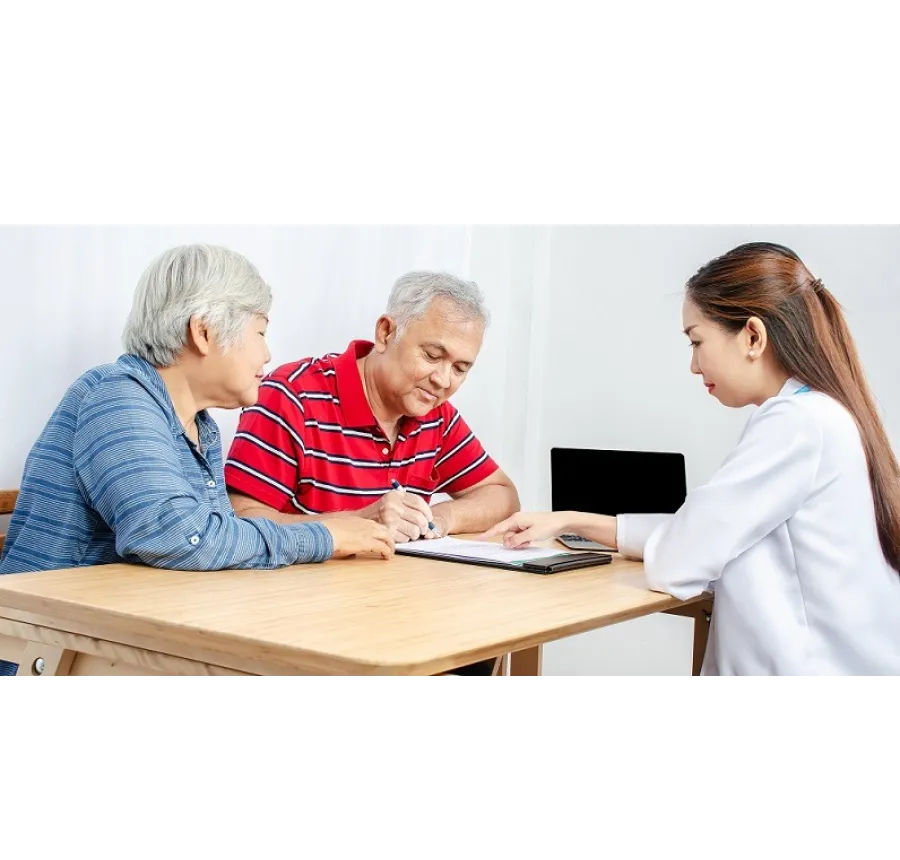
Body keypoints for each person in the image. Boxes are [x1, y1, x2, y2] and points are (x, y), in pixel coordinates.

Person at [483, 242, 900, 678]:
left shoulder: (796, 423)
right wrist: (570, 520)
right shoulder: (819, 414)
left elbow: (680, 558)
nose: (694, 366)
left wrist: (583, 522)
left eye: (697, 341)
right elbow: (702, 536)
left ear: (753, 337)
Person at [0, 244, 392, 579]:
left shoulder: (199, 426)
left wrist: (333, 528)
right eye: (260, 332)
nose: (268, 354)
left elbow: (220, 538)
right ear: (203, 332)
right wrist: (326, 538)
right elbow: (180, 539)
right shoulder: (116, 399)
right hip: (51, 646)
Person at [224, 270, 520, 679]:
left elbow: (502, 494)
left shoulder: (434, 413)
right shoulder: (290, 396)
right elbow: (240, 519)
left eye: (461, 368)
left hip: (400, 629)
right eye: (432, 356)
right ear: (386, 333)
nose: (443, 380)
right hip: (300, 638)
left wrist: (440, 518)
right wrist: (358, 523)